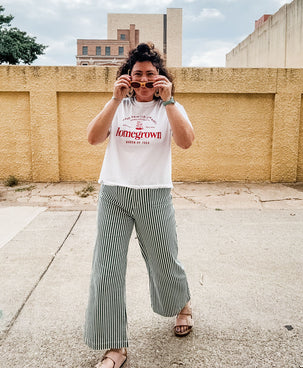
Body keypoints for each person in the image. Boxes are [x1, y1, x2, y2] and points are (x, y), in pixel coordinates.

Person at [84, 42, 195, 368]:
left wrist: (169, 100)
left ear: (160, 77)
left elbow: (186, 142)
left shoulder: (169, 107)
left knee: (163, 259)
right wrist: (115, 99)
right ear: (127, 78)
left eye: (150, 75)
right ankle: (113, 346)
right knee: (106, 270)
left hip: (154, 193)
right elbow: (93, 138)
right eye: (137, 75)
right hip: (115, 194)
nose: (144, 81)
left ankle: (181, 304)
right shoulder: (118, 105)